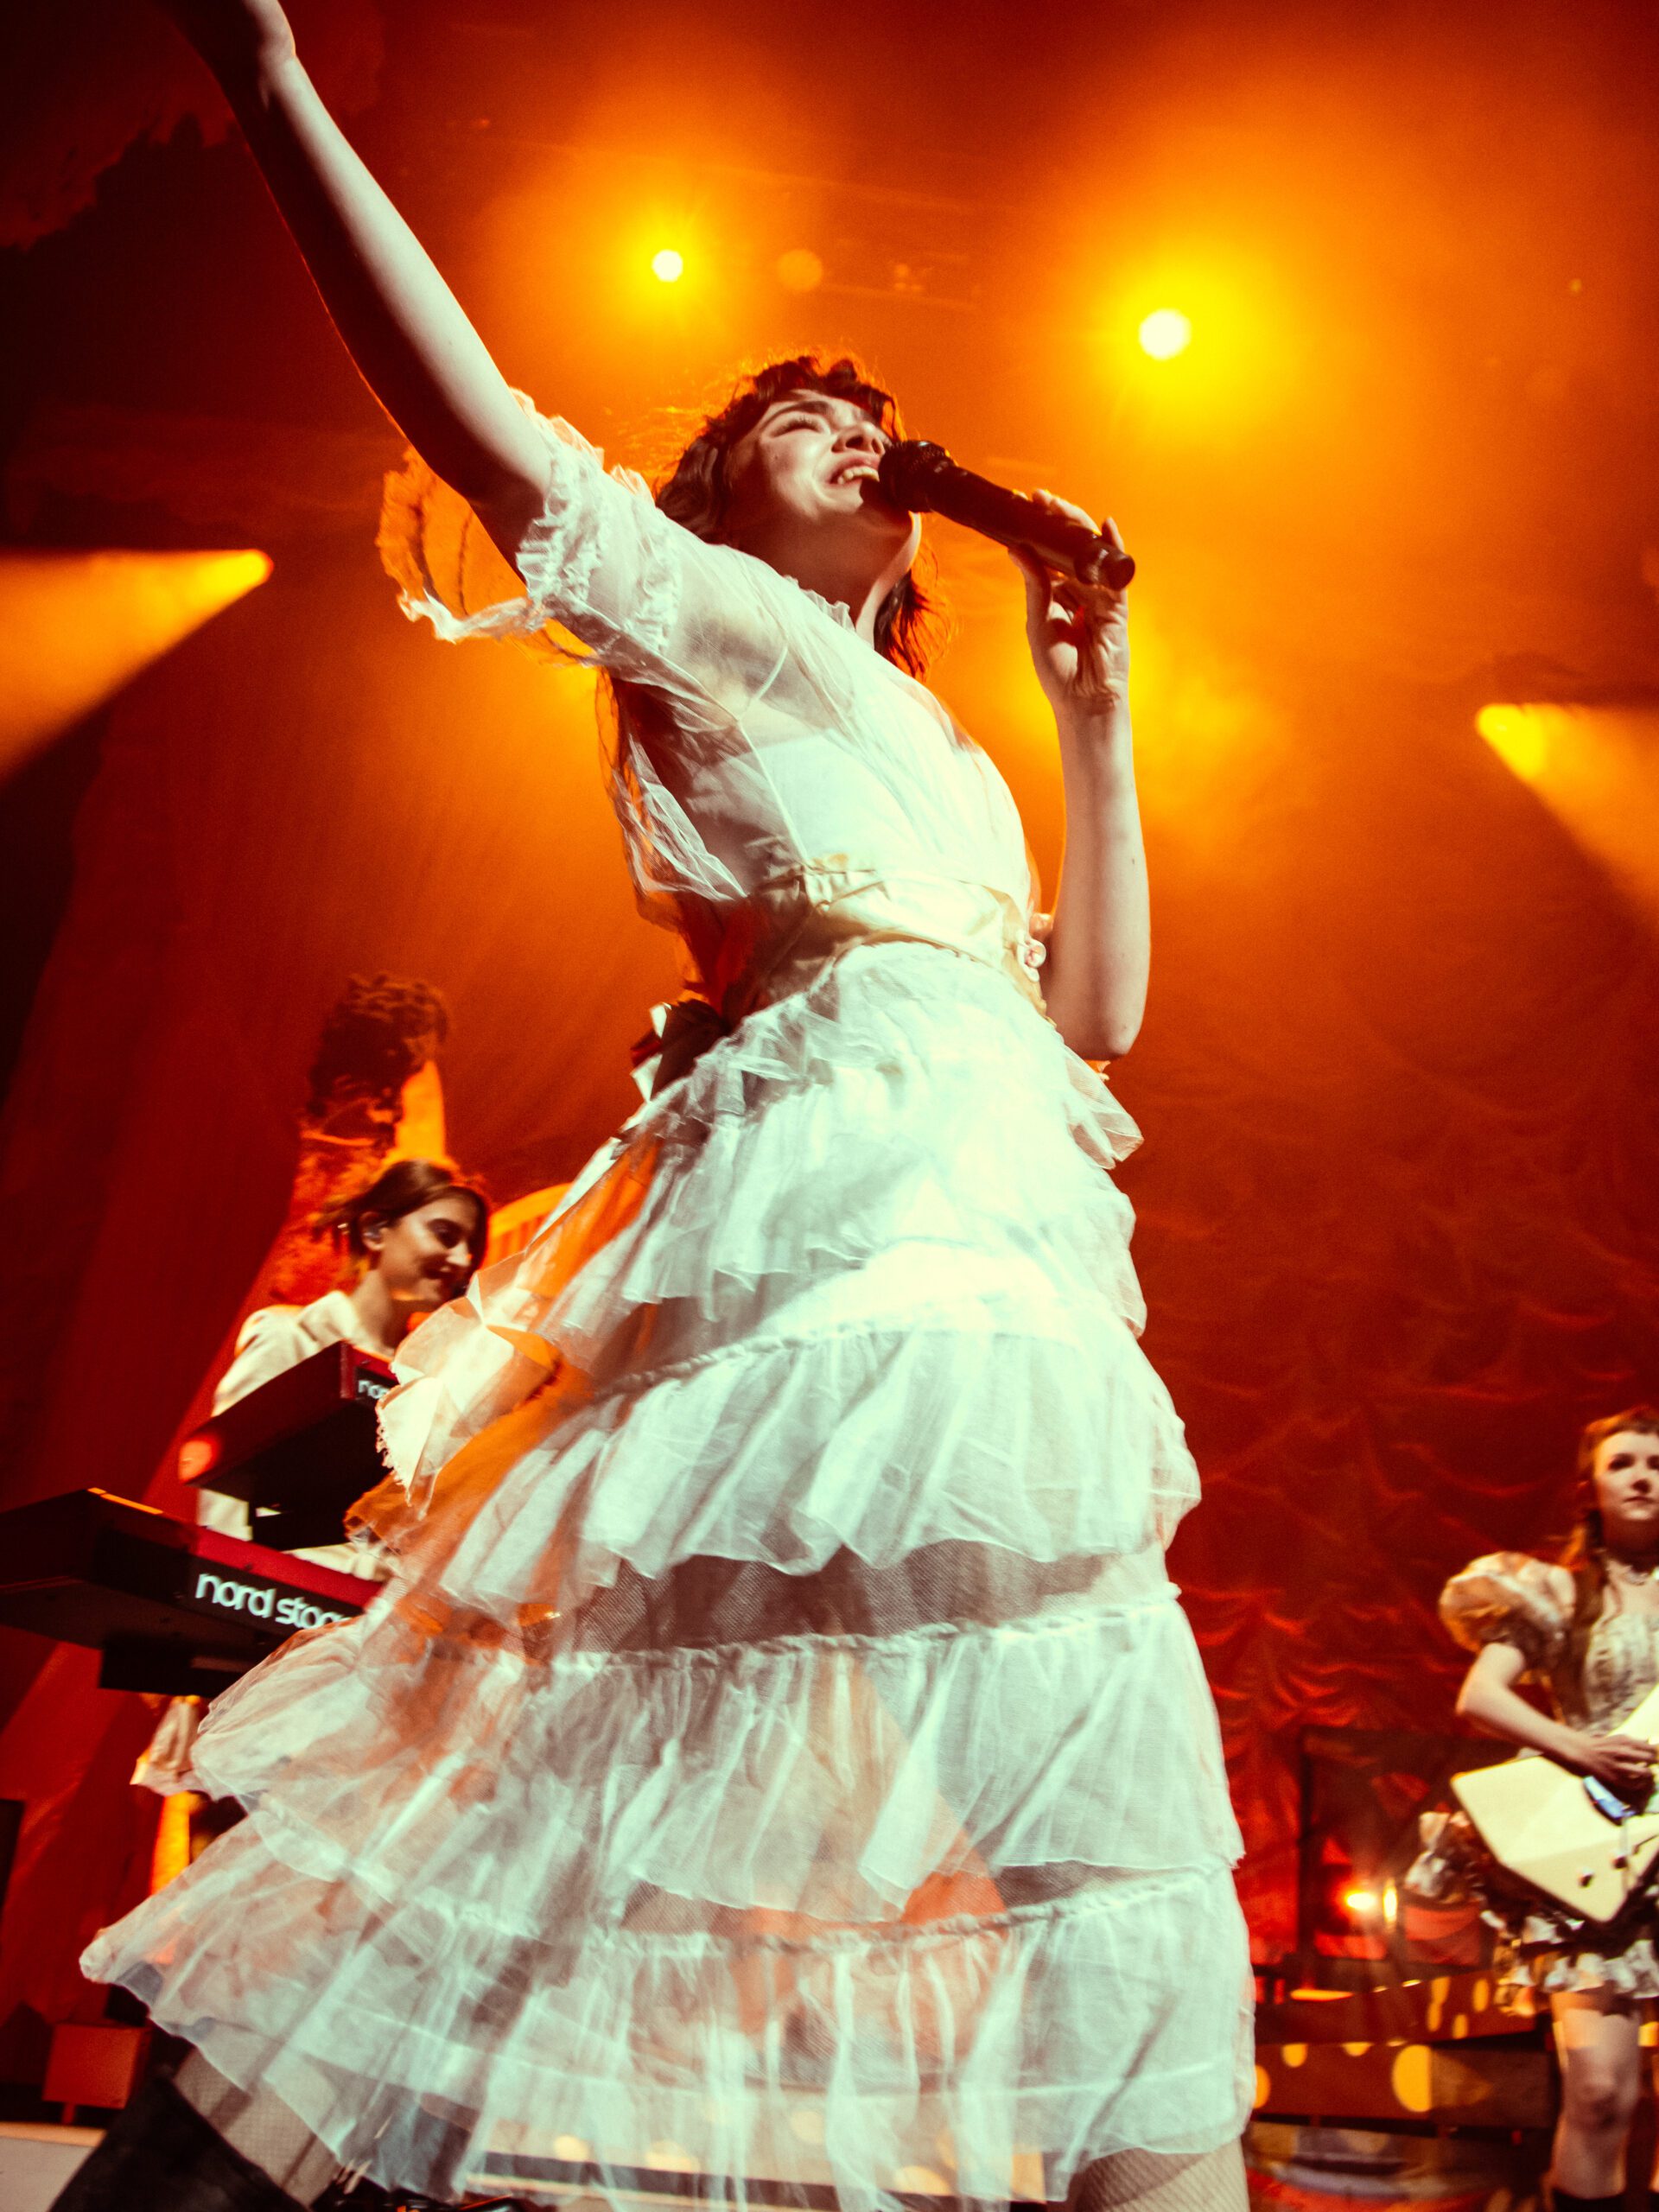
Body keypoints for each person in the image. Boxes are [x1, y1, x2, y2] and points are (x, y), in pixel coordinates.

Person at [62, 4, 1253, 2209]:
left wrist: (1093, 713)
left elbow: (1094, 1013)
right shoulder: (709, 619)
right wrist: (278, 83)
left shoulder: (956, 753)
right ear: (715, 497)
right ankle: (204, 2171)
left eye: (868, 420)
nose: (854, 431)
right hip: (803, 1238)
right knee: (534, 1761)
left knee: (1074, 1776)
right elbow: (471, 411)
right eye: (801, 416)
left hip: (987, 1265)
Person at [135, 1160, 489, 1803]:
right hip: (274, 1650)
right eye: (445, 1234)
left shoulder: (430, 1389)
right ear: (376, 1230)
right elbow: (226, 1504)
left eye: (472, 1248)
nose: (462, 1260)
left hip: (378, 1667)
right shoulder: (290, 1337)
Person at [1410, 1408, 1659, 2212]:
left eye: (1657, 1463)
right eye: (1623, 1462)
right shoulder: (1558, 1591)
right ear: (1591, 1487)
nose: (1643, 1476)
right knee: (1599, 2093)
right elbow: (1481, 1695)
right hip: (1597, 1858)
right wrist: (1578, 1748)